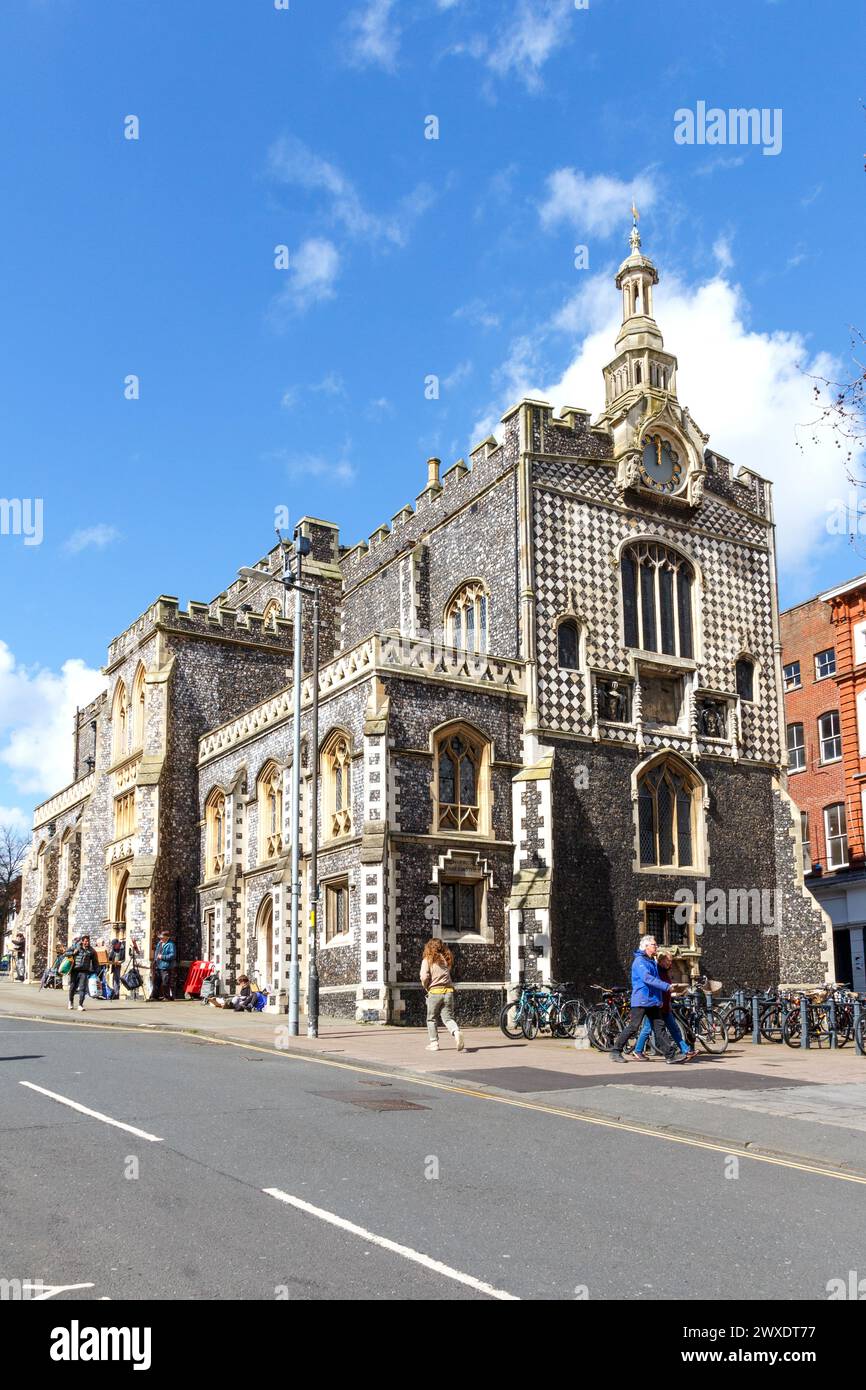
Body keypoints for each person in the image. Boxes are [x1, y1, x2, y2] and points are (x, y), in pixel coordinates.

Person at [610, 935, 687, 1064]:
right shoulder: (639, 961)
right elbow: (647, 978)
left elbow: (657, 978)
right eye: (654, 945)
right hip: (641, 1000)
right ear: (646, 946)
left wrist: (661, 997)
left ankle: (670, 1056)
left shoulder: (651, 961)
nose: (656, 947)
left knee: (659, 1028)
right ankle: (615, 1051)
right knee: (633, 1027)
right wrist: (667, 987)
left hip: (653, 1001)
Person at [632, 951, 694, 1060]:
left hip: (664, 1005)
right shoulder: (656, 970)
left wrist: (669, 1000)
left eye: (671, 961)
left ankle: (686, 1050)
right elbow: (655, 985)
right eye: (668, 960)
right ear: (661, 960)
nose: (670, 963)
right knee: (647, 1028)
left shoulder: (664, 971)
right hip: (656, 1005)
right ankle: (637, 1050)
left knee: (673, 1028)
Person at [420, 938, 464, 1053]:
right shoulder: (444, 960)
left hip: (435, 992)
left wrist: (426, 986)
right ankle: (456, 1032)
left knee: (431, 1018)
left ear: (429, 947)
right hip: (448, 992)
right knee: (448, 1018)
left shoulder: (427, 960)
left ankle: (434, 1043)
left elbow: (424, 976)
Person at [64, 934, 99, 1012]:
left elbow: (95, 962)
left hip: (84, 971)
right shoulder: (76, 947)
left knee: (82, 988)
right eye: (86, 941)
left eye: (88, 941)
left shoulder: (91, 951)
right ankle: (70, 1002)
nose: (87, 943)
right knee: (72, 987)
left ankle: (80, 1005)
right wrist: (73, 953)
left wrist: (96, 971)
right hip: (74, 970)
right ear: (82, 941)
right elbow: (65, 953)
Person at [151, 930, 176, 1000]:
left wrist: (162, 957)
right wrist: (155, 960)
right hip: (158, 965)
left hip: (166, 966)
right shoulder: (160, 943)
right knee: (156, 982)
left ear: (166, 937)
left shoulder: (171, 945)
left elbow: (172, 955)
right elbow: (156, 952)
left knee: (165, 982)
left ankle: (166, 997)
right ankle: (154, 996)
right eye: (160, 937)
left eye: (162, 937)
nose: (160, 938)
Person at [107, 929, 126, 999]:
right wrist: (109, 959)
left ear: (118, 944)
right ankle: (116, 993)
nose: (114, 947)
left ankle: (121, 993)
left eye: (114, 945)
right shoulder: (114, 949)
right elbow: (110, 957)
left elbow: (127, 957)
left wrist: (122, 961)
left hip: (122, 966)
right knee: (115, 979)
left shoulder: (124, 947)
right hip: (115, 966)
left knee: (120, 979)